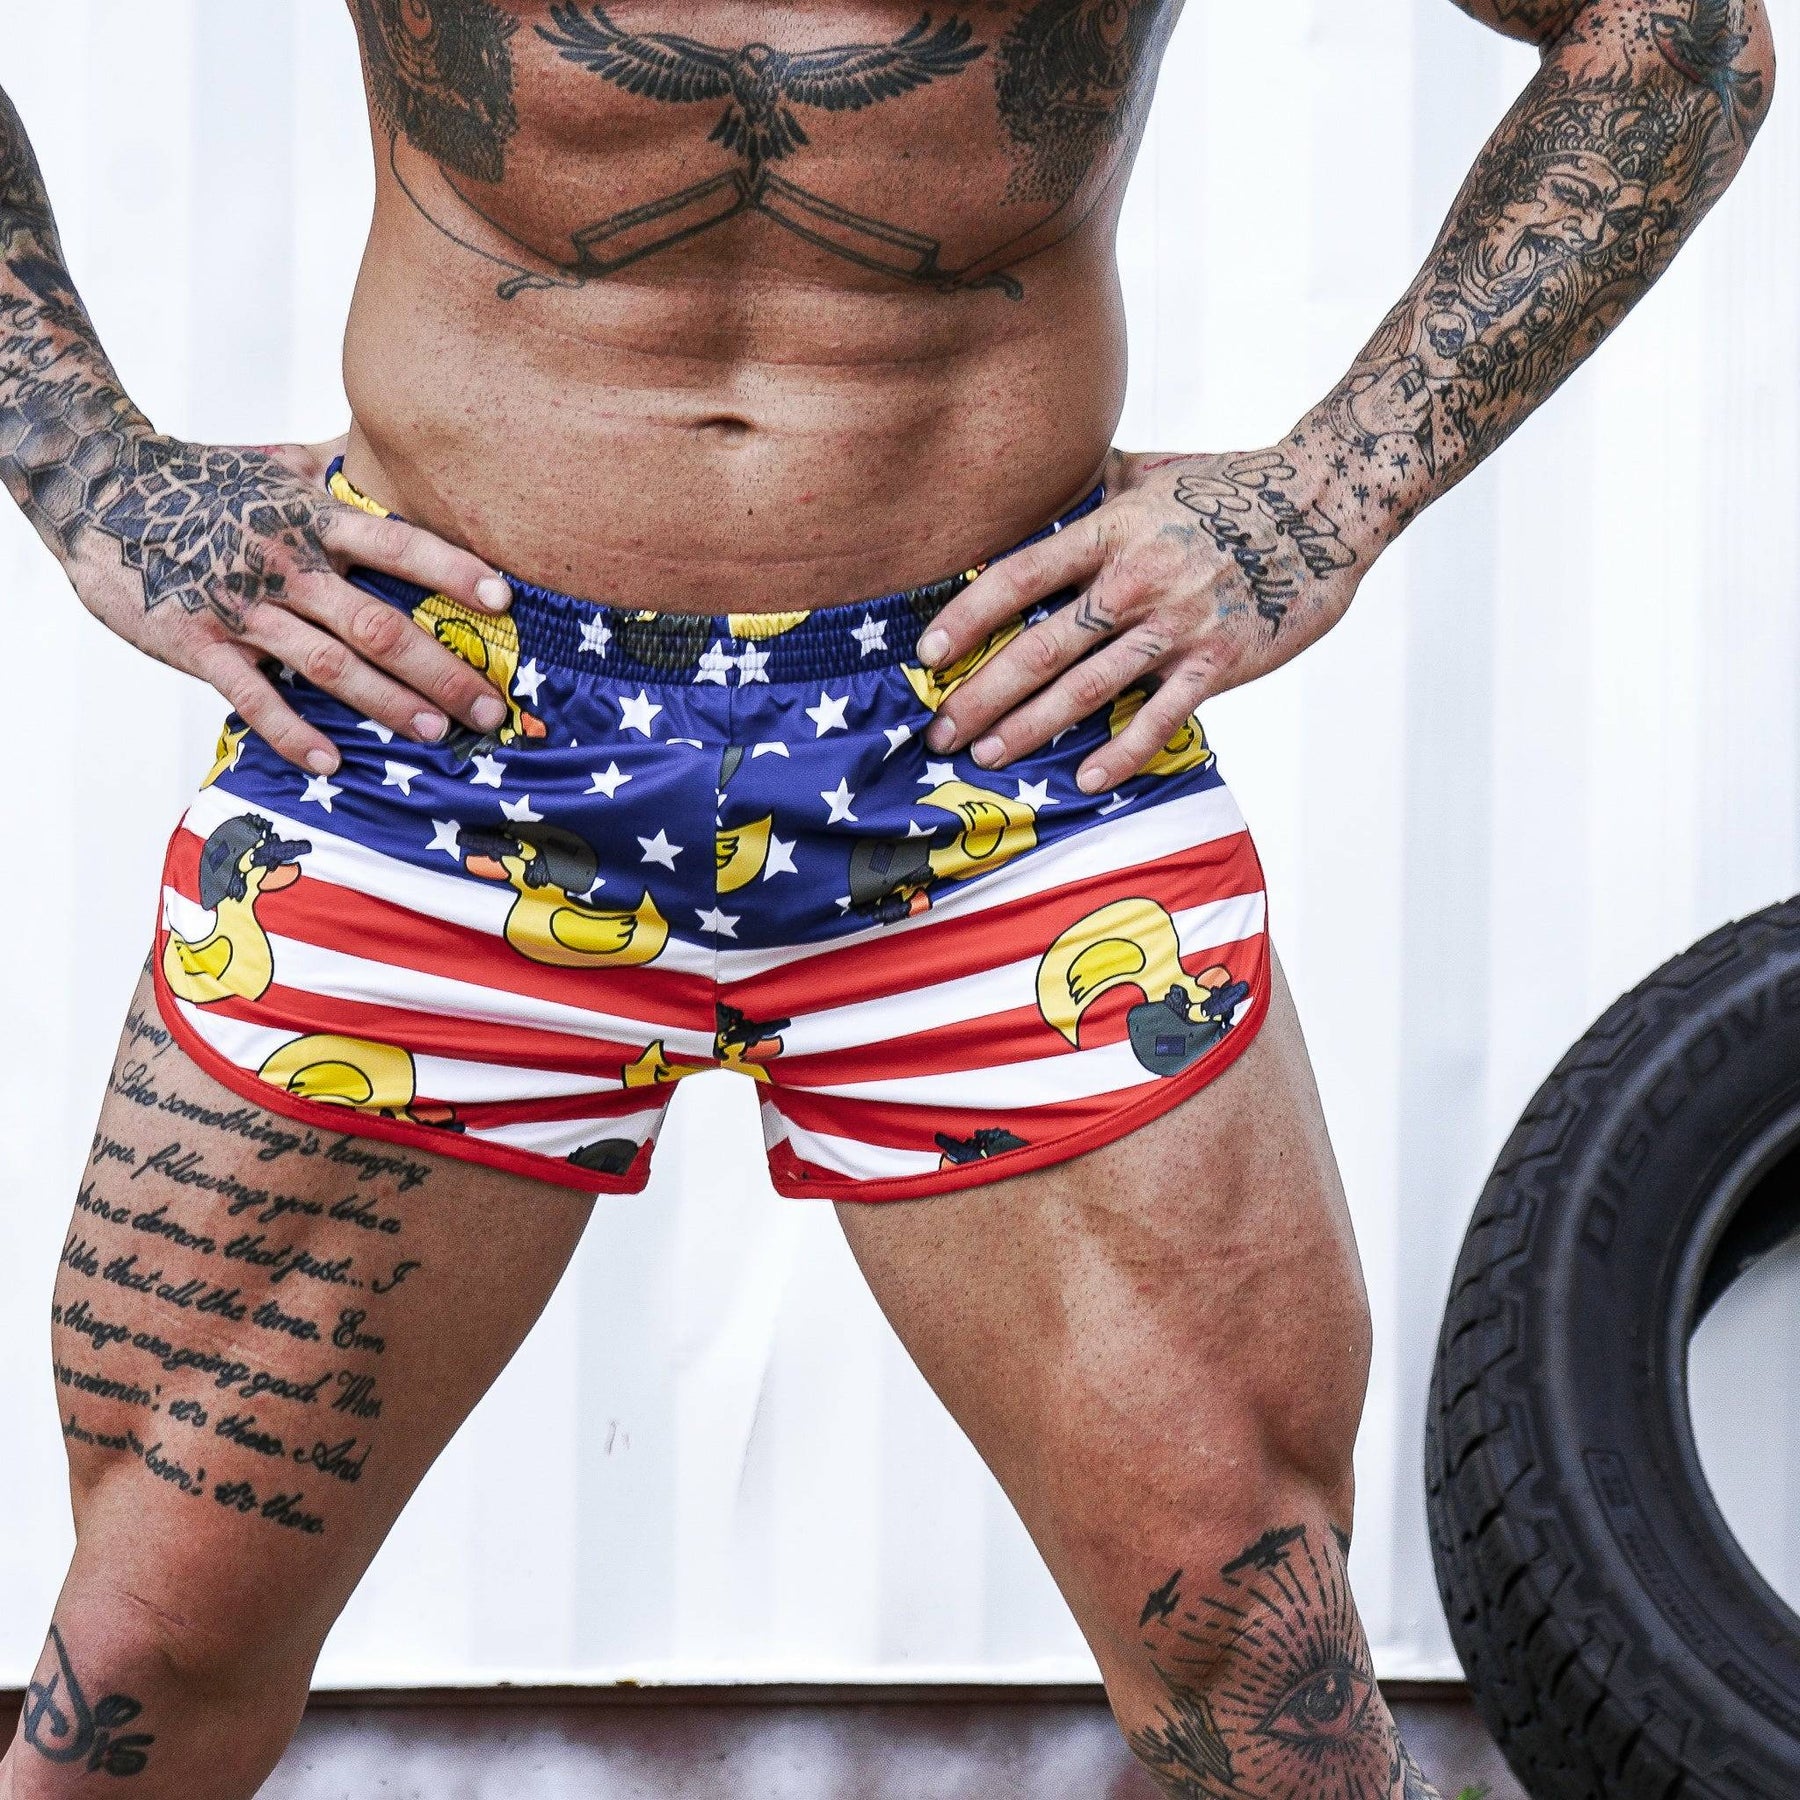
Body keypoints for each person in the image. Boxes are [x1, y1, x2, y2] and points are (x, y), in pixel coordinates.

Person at [0, 1, 1773, 1794]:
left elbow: (1672, 37)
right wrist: (89, 464)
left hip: (995, 737)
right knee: (150, 1655)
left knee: (1260, 1667)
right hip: (433, 727)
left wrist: (1325, 495)